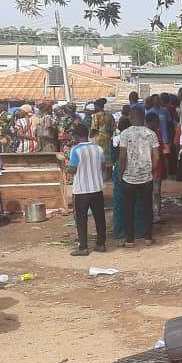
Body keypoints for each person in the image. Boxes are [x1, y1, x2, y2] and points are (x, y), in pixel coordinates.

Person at [117, 106, 159, 247]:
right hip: (146, 177)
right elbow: (157, 157)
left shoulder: (124, 134)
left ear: (131, 117)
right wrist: (149, 170)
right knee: (147, 208)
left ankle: (130, 239)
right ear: (143, 116)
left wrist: (121, 174)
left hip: (129, 177)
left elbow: (122, 157)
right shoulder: (151, 134)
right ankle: (148, 238)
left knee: (129, 208)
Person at [67, 124, 107, 256]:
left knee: (81, 218)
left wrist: (66, 167)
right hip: (97, 188)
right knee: (99, 217)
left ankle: (83, 247)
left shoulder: (75, 150)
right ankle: (101, 244)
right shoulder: (98, 149)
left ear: (76, 136)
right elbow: (103, 167)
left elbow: (72, 170)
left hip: (81, 190)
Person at [146, 113, 166, 223]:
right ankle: (155, 215)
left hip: (152, 169)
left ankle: (155, 215)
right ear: (151, 122)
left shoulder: (155, 133)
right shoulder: (153, 134)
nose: (158, 124)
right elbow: (158, 154)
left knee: (154, 193)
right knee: (155, 193)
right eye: (156, 122)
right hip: (154, 169)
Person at [89, 98, 116, 166]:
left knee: (98, 159)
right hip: (108, 138)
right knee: (107, 159)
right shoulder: (109, 115)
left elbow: (93, 129)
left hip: (98, 139)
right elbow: (113, 128)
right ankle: (109, 175)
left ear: (97, 106)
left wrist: (90, 138)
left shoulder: (96, 116)